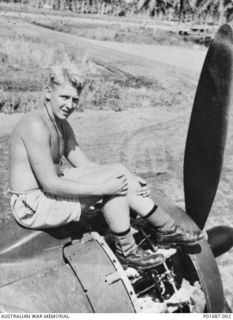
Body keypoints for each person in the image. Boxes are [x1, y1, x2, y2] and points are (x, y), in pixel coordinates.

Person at [9, 62, 204, 271]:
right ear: (48, 92)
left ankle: (166, 229)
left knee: (117, 173)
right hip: (32, 204)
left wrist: (132, 179)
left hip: (48, 193)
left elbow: (87, 166)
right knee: (112, 184)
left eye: (75, 100)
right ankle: (128, 251)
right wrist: (103, 188)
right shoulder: (35, 125)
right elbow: (50, 184)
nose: (70, 105)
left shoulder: (62, 125)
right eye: (64, 97)